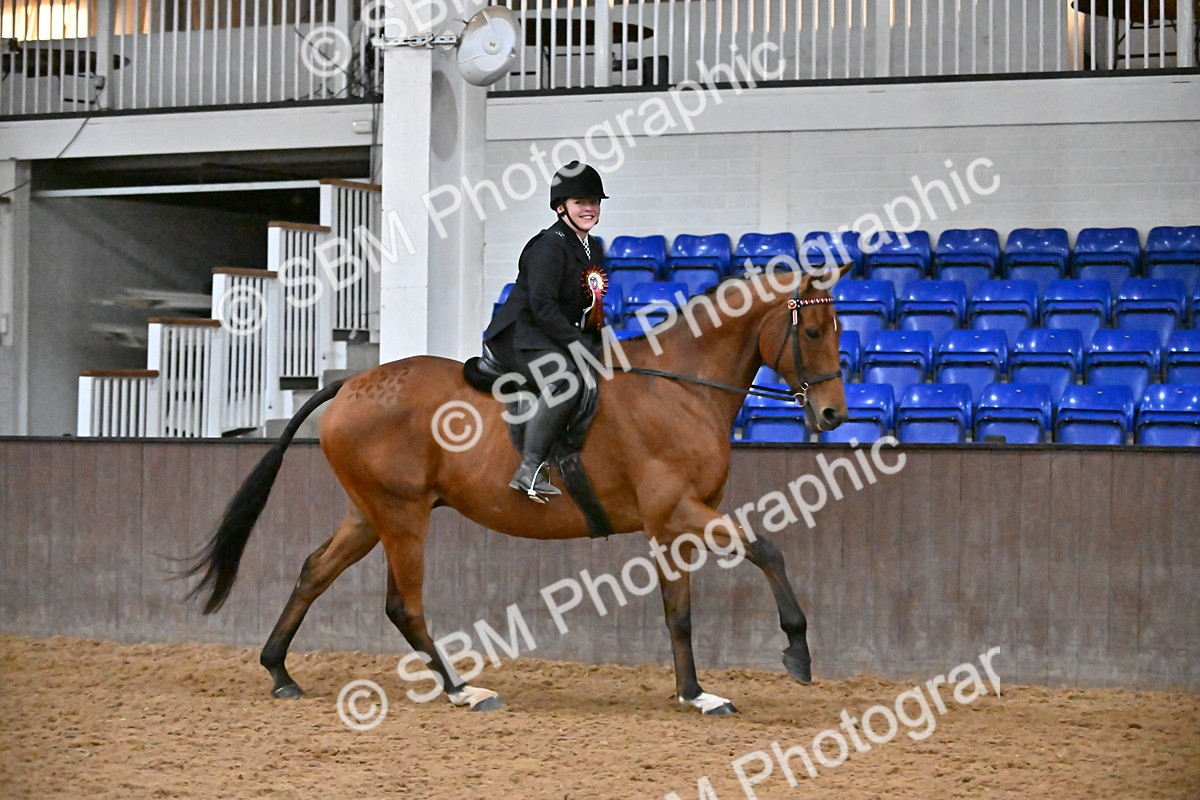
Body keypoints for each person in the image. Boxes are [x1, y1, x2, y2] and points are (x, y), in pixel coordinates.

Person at [483, 161, 609, 502]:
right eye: (581, 202)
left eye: (594, 202)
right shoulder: (548, 247)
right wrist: (578, 344)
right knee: (567, 378)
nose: (589, 208)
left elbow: (589, 305)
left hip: (553, 333)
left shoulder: (593, 248)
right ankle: (530, 469)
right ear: (560, 207)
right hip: (521, 333)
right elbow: (543, 308)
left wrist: (599, 338)